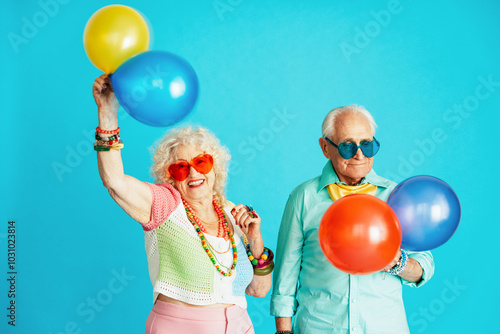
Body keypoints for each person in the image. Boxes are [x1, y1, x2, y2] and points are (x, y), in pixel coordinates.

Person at [92, 74, 273, 334]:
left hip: (239, 326)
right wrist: (107, 114)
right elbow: (114, 181)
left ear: (215, 167)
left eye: (201, 162)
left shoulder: (231, 213)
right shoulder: (166, 204)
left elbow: (258, 290)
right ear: (170, 176)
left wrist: (255, 240)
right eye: (181, 168)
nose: (193, 173)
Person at [271, 105, 435, 334]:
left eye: (367, 145)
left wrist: (399, 263)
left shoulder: (395, 196)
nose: (360, 155)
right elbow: (285, 278)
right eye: (348, 146)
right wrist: (283, 331)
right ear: (325, 147)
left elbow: (423, 267)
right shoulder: (303, 197)